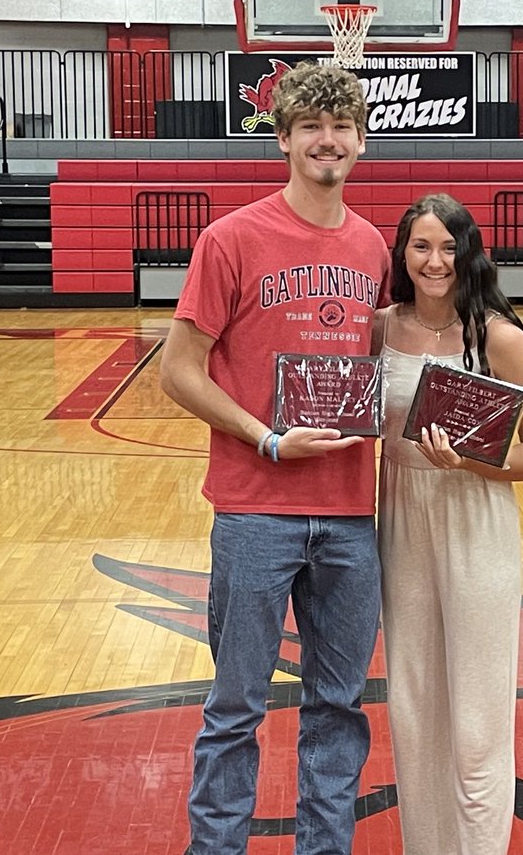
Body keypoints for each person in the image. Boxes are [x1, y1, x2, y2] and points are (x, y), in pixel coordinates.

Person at [160, 60, 390, 855]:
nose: (327, 141)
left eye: (341, 127)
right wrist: (265, 437)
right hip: (255, 507)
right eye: (310, 128)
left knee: (340, 706)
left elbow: (383, 367)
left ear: (361, 139)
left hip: (352, 517)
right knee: (235, 707)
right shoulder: (230, 238)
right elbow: (177, 370)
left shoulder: (371, 247)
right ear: (285, 139)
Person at [373, 193, 523, 854]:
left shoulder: (502, 338)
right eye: (422, 246)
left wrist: (474, 463)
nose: (435, 261)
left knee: (478, 722)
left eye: (449, 247)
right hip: (400, 529)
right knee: (414, 711)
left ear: (469, 254)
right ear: (402, 254)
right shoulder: (378, 330)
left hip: (478, 530)